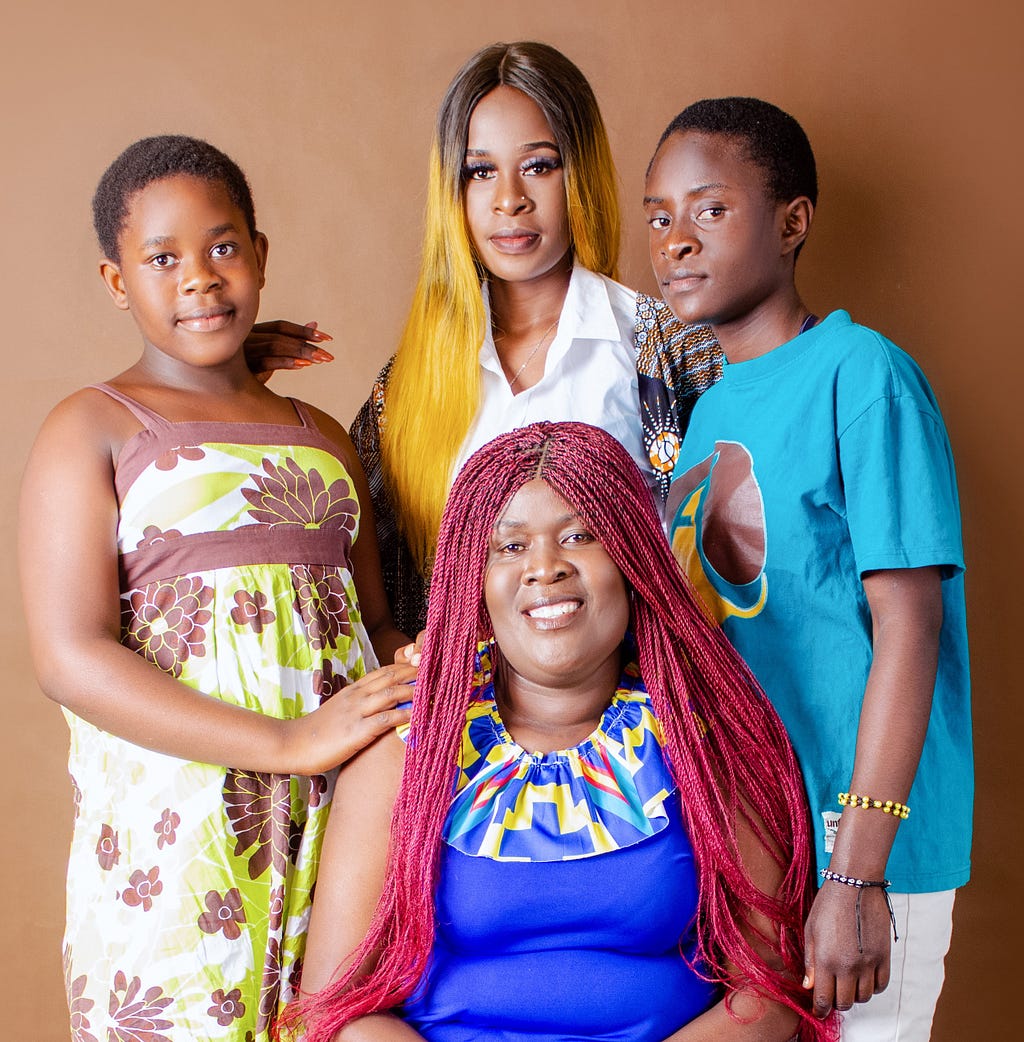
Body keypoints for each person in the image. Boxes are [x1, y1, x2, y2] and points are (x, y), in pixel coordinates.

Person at [18, 135, 414, 1041]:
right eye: (163, 259)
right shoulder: (92, 429)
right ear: (118, 282)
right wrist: (287, 739)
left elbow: (372, 619)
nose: (200, 278)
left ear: (262, 255)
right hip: (182, 845)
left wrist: (414, 664)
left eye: (223, 247)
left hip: (339, 834)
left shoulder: (323, 434)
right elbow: (70, 658)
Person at [284, 421, 837, 1042]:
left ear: (632, 559)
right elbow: (339, 1009)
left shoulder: (704, 734)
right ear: (474, 579)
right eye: (510, 547)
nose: (545, 568)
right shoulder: (407, 745)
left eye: (579, 536)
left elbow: (767, 992)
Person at [645, 98, 972, 1040]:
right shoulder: (707, 414)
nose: (675, 242)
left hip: (858, 847)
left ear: (792, 223)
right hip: (755, 840)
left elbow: (911, 629)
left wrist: (857, 872)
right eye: (659, 216)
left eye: (709, 210)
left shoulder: (863, 374)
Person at [248, 41, 722, 635]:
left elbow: (736, 563)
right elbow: (338, 559)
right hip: (466, 719)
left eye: (539, 165)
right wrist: (225, 381)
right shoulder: (406, 391)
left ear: (582, 172)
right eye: (480, 171)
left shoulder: (665, 350)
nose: (509, 200)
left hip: (644, 713)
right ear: (455, 190)